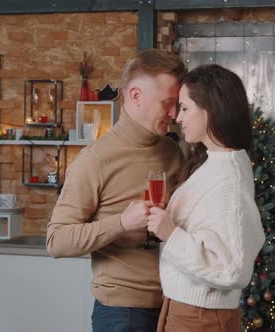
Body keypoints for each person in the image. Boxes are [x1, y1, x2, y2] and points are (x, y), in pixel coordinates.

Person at [46, 49, 186, 332]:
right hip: (123, 314)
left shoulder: (173, 151)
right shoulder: (95, 159)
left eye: (177, 104)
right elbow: (56, 241)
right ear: (135, 96)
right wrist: (121, 222)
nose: (174, 113)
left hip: (174, 305)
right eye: (167, 103)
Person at [146, 64, 265, 332]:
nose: (177, 117)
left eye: (185, 108)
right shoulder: (213, 163)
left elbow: (233, 270)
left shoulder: (229, 176)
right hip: (185, 310)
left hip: (201, 317)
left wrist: (171, 233)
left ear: (210, 109)